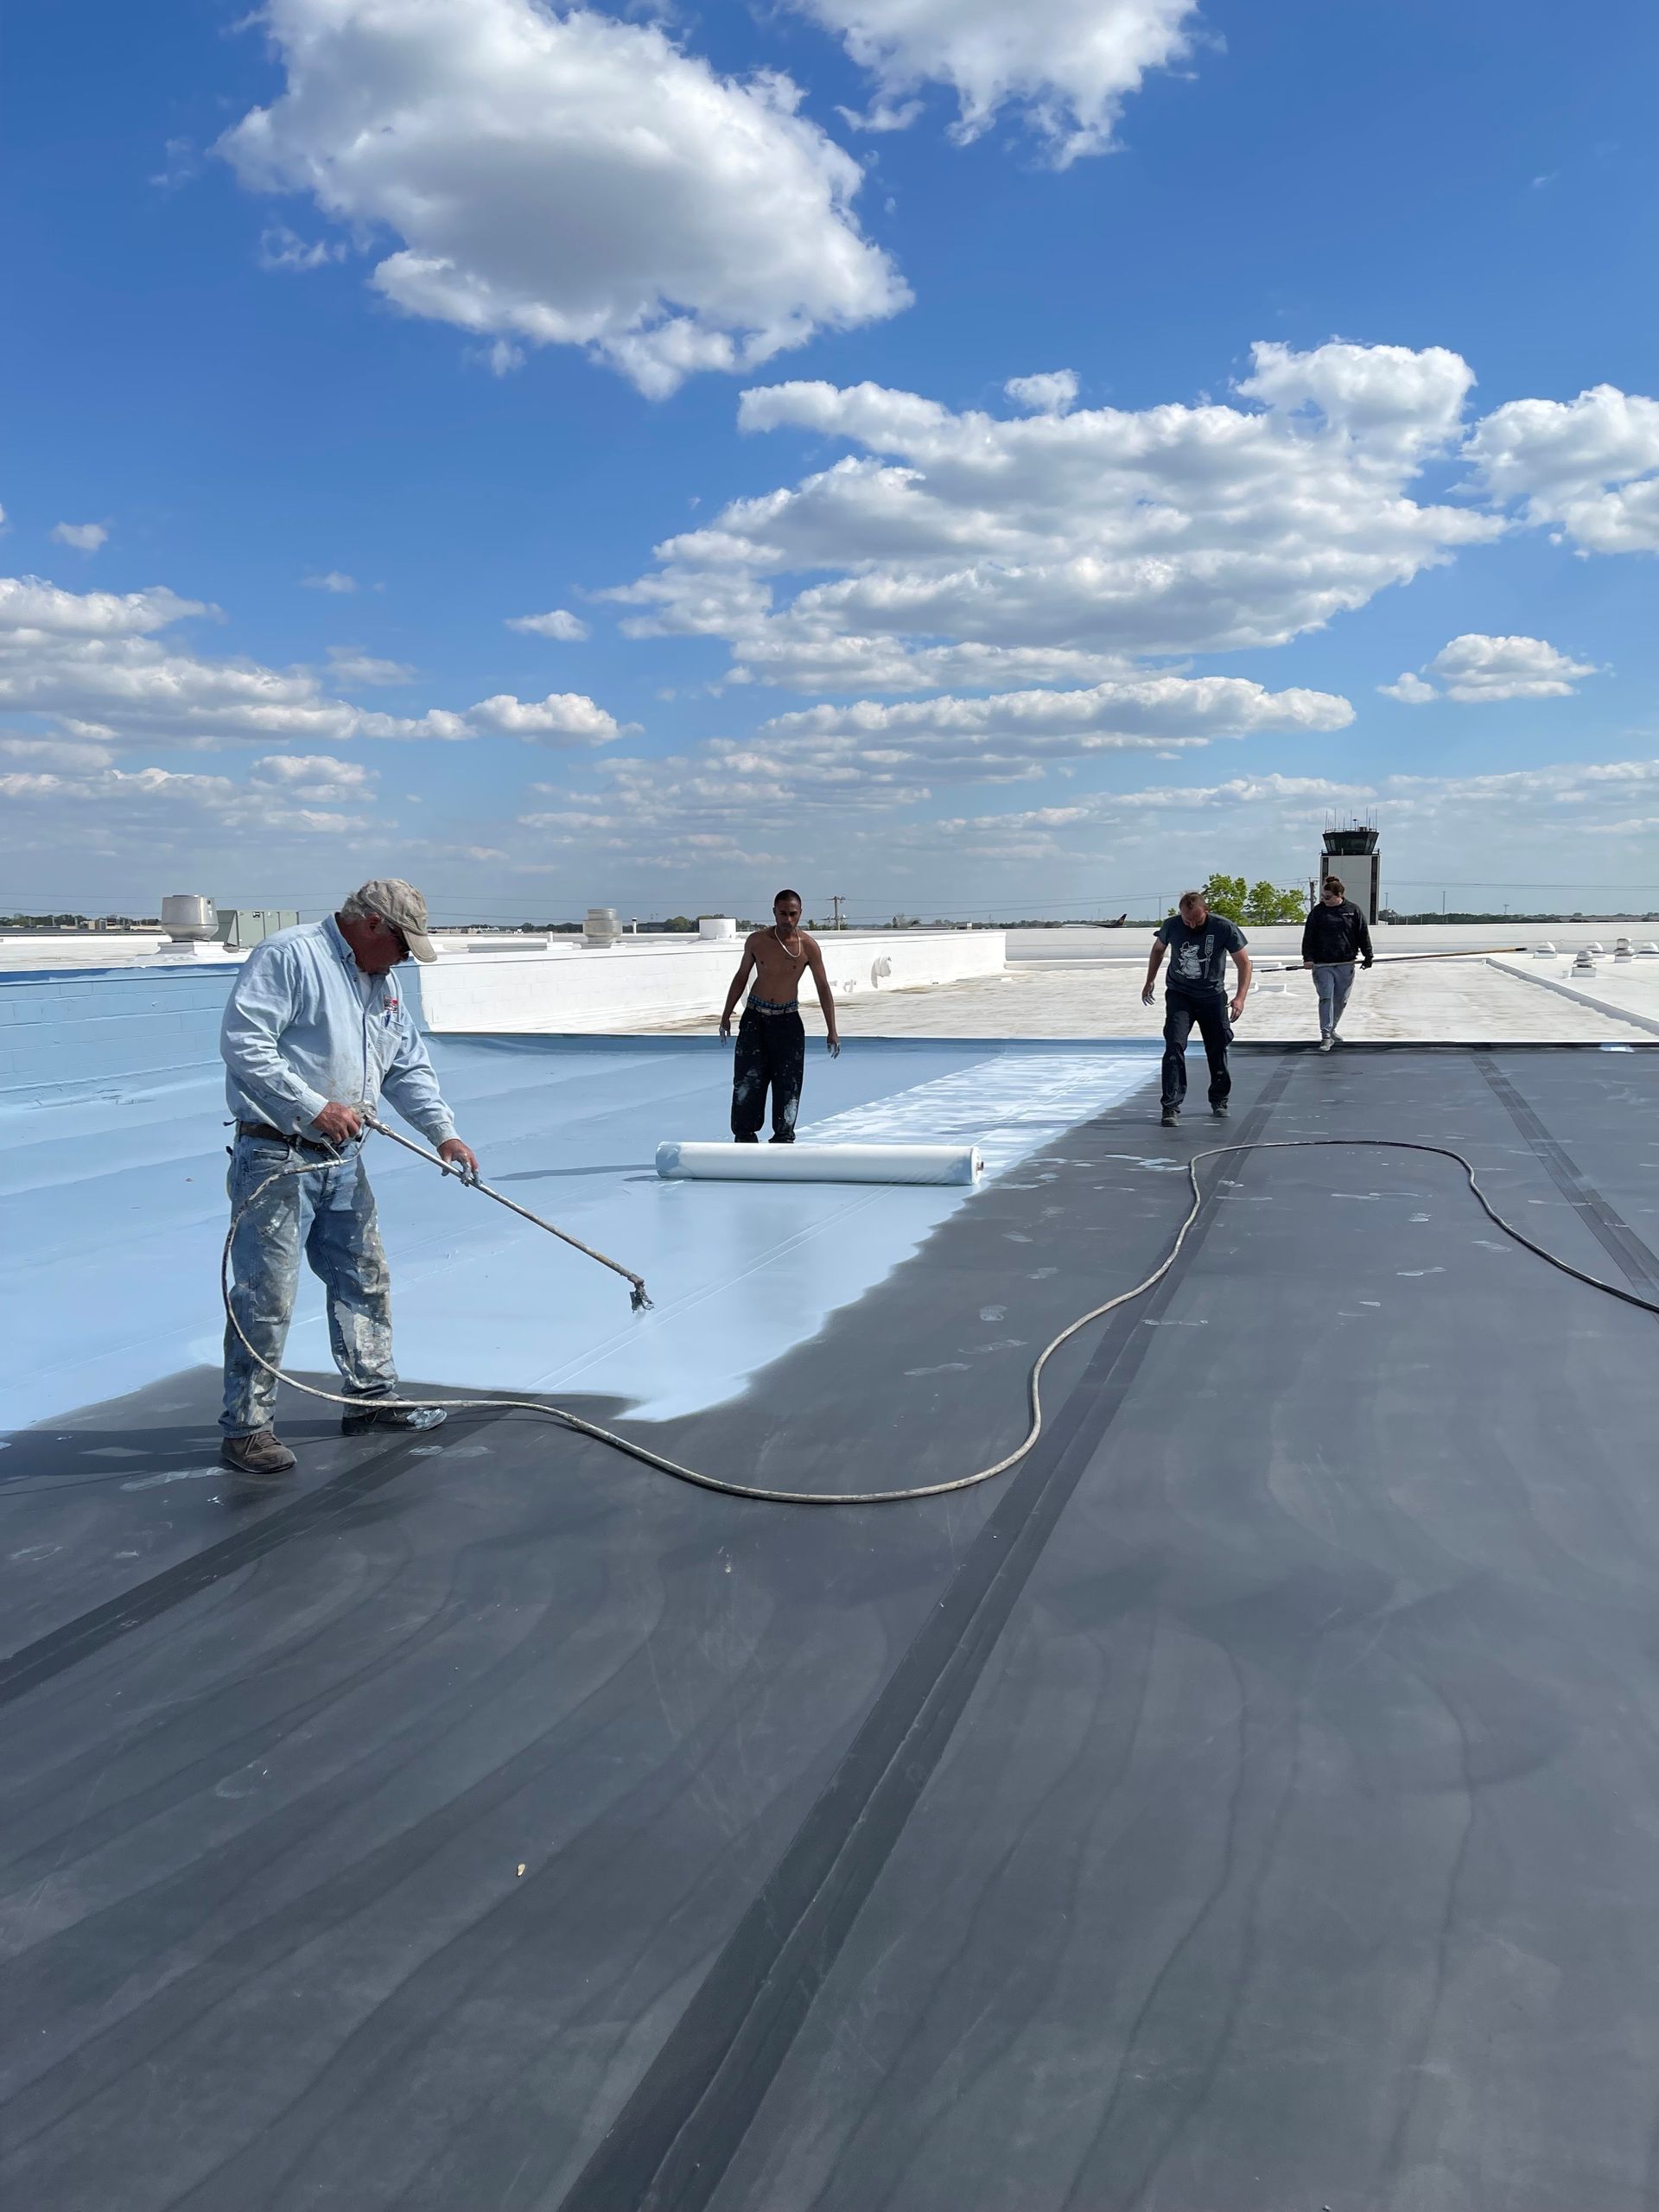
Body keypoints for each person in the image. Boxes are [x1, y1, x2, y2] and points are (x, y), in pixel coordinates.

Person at [218, 879, 480, 1484]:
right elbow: (245, 1044)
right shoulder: (289, 957)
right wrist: (312, 1105)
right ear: (371, 926)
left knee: (363, 1276)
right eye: (403, 945)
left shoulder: (379, 983)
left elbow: (406, 1062)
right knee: (267, 1295)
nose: (407, 959)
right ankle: (246, 1428)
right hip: (279, 1158)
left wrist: (442, 1131)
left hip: (342, 1158)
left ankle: (371, 1399)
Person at [718, 890, 841, 1142]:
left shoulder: (808, 947)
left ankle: (783, 1136)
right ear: (774, 912)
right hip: (755, 1017)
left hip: (787, 1020)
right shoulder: (756, 941)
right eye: (782, 913)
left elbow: (823, 987)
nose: (787, 919)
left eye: (792, 914)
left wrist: (832, 1029)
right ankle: (744, 1135)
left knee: (788, 1082)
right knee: (747, 1079)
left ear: (800, 914)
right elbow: (741, 977)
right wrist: (726, 1015)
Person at [1142, 890, 1252, 1127]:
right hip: (1179, 994)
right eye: (1187, 920)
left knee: (1217, 1046)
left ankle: (1219, 1098)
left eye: (1197, 920)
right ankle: (1170, 1106)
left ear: (1206, 912)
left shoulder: (1224, 927)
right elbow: (1158, 949)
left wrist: (1240, 997)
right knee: (1174, 1045)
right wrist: (1149, 979)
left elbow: (1244, 962)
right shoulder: (1171, 925)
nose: (1192, 925)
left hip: (1212, 996)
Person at [1300, 874, 1374, 1051]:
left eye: (1328, 897)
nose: (1324, 900)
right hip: (1322, 964)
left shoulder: (1353, 910)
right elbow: (1308, 937)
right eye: (1323, 897)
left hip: (1345, 963)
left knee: (1340, 1000)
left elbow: (1362, 934)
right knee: (1326, 997)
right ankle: (1325, 1034)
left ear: (1339, 895)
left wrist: (1368, 955)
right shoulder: (1317, 913)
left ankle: (1332, 1029)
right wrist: (1308, 958)